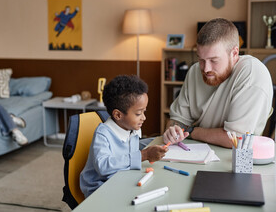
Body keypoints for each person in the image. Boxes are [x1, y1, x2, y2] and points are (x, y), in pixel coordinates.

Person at [163, 18, 273, 148]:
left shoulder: (252, 72)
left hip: (233, 157)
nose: (206, 69)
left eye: (214, 60)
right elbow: (178, 120)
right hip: (193, 150)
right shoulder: (194, 71)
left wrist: (191, 131)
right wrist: (172, 130)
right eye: (201, 59)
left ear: (234, 53)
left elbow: (236, 139)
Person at [80, 75, 168, 198]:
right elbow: (104, 167)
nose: (144, 117)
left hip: (122, 179)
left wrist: (163, 139)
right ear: (118, 115)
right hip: (100, 188)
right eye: (138, 113)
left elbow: (134, 145)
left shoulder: (132, 127)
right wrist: (144, 155)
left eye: (144, 111)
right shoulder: (103, 134)